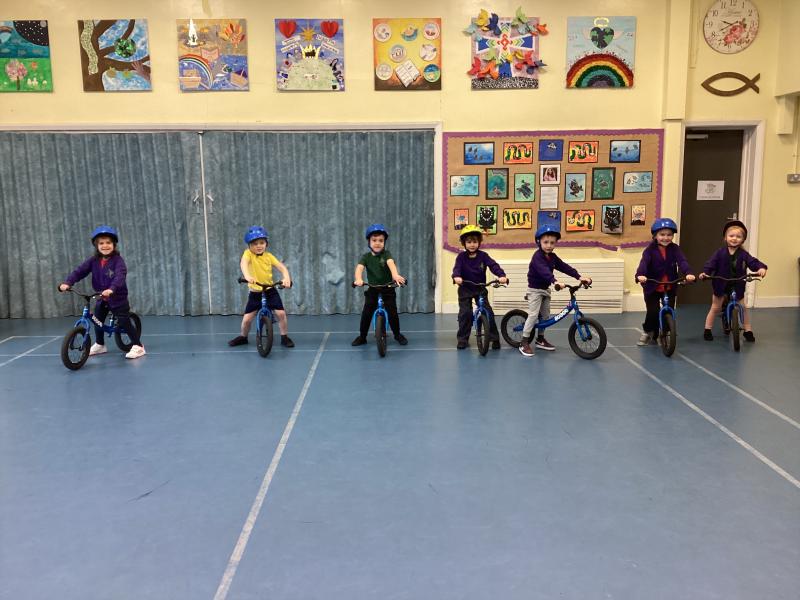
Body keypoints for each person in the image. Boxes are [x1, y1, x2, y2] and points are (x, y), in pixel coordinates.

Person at [58, 225, 145, 359]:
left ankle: (138, 346)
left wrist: (112, 289)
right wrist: (68, 282)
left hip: (117, 297)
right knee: (97, 320)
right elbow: (80, 271)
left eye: (108, 243)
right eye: (101, 243)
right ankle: (100, 344)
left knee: (124, 320)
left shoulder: (118, 261)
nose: (105, 246)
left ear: (114, 244)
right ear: (96, 245)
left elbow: (120, 276)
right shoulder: (93, 261)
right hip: (101, 296)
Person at [519, 225, 592, 357]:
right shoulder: (537, 257)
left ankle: (540, 339)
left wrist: (579, 277)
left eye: (552, 243)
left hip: (545, 290)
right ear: (539, 242)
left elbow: (564, 267)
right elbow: (544, 271)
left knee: (545, 316)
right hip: (535, 290)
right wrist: (555, 281)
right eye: (546, 242)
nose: (549, 245)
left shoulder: (552, 257)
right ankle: (524, 342)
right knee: (534, 315)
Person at [699, 220, 767, 341]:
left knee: (743, 308)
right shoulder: (720, 253)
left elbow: (753, 262)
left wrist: (761, 268)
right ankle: (707, 329)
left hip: (737, 283)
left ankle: (748, 330)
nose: (734, 238)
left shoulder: (744, 254)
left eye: (738, 236)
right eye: (731, 236)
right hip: (721, 283)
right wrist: (706, 273)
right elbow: (711, 264)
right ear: (725, 237)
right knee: (715, 307)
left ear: (743, 240)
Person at [228, 226, 294, 348]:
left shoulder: (269, 256)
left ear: (266, 244)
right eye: (255, 244)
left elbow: (282, 267)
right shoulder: (248, 254)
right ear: (249, 245)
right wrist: (247, 276)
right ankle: (243, 337)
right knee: (247, 320)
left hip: (270, 290)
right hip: (255, 292)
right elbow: (243, 264)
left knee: (281, 314)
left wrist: (286, 278)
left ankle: (284, 337)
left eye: (262, 243)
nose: (259, 246)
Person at [635, 218, 696, 346]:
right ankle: (648, 331)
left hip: (670, 286)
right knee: (653, 312)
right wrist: (640, 275)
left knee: (668, 311)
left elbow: (682, 261)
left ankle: (666, 332)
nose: (666, 238)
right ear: (655, 236)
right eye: (662, 235)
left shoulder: (675, 249)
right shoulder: (650, 250)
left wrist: (688, 273)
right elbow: (644, 263)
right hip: (652, 286)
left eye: (669, 235)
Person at [452, 225, 508, 350]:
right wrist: (456, 276)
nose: (472, 244)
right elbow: (457, 269)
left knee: (488, 313)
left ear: (479, 242)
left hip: (480, 289)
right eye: (469, 242)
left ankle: (494, 338)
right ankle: (462, 339)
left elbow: (493, 265)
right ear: (464, 243)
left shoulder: (483, 256)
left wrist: (501, 275)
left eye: (475, 241)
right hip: (465, 289)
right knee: (465, 314)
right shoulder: (461, 257)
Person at [352, 223, 407, 346]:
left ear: (384, 242)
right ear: (369, 242)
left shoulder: (386, 254)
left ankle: (397, 335)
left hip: (388, 287)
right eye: (374, 240)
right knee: (366, 313)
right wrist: (358, 279)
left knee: (392, 312)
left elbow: (391, 263)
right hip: (373, 288)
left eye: (381, 240)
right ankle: (362, 337)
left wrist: (395, 275)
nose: (377, 243)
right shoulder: (366, 257)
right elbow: (359, 268)